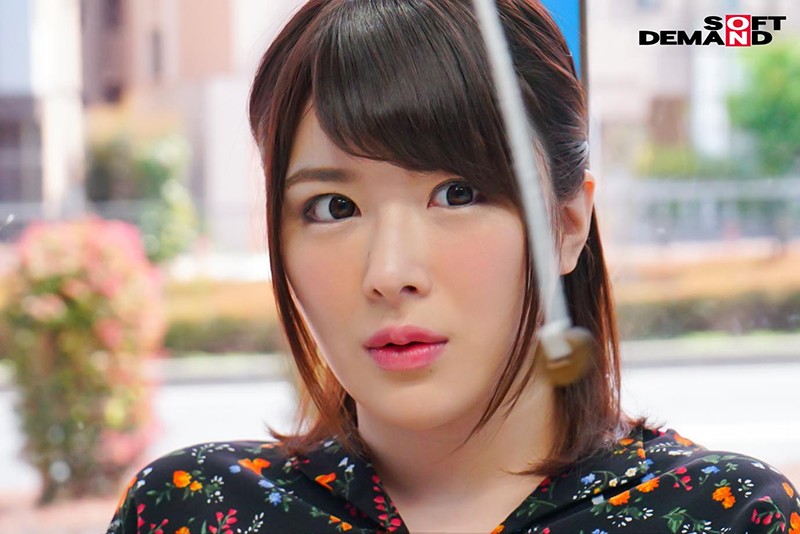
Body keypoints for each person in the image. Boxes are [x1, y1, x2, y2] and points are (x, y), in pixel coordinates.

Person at [107, 1, 800, 532]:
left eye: (457, 194)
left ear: (567, 225)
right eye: (333, 207)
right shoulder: (191, 511)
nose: (389, 272)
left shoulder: (726, 516)